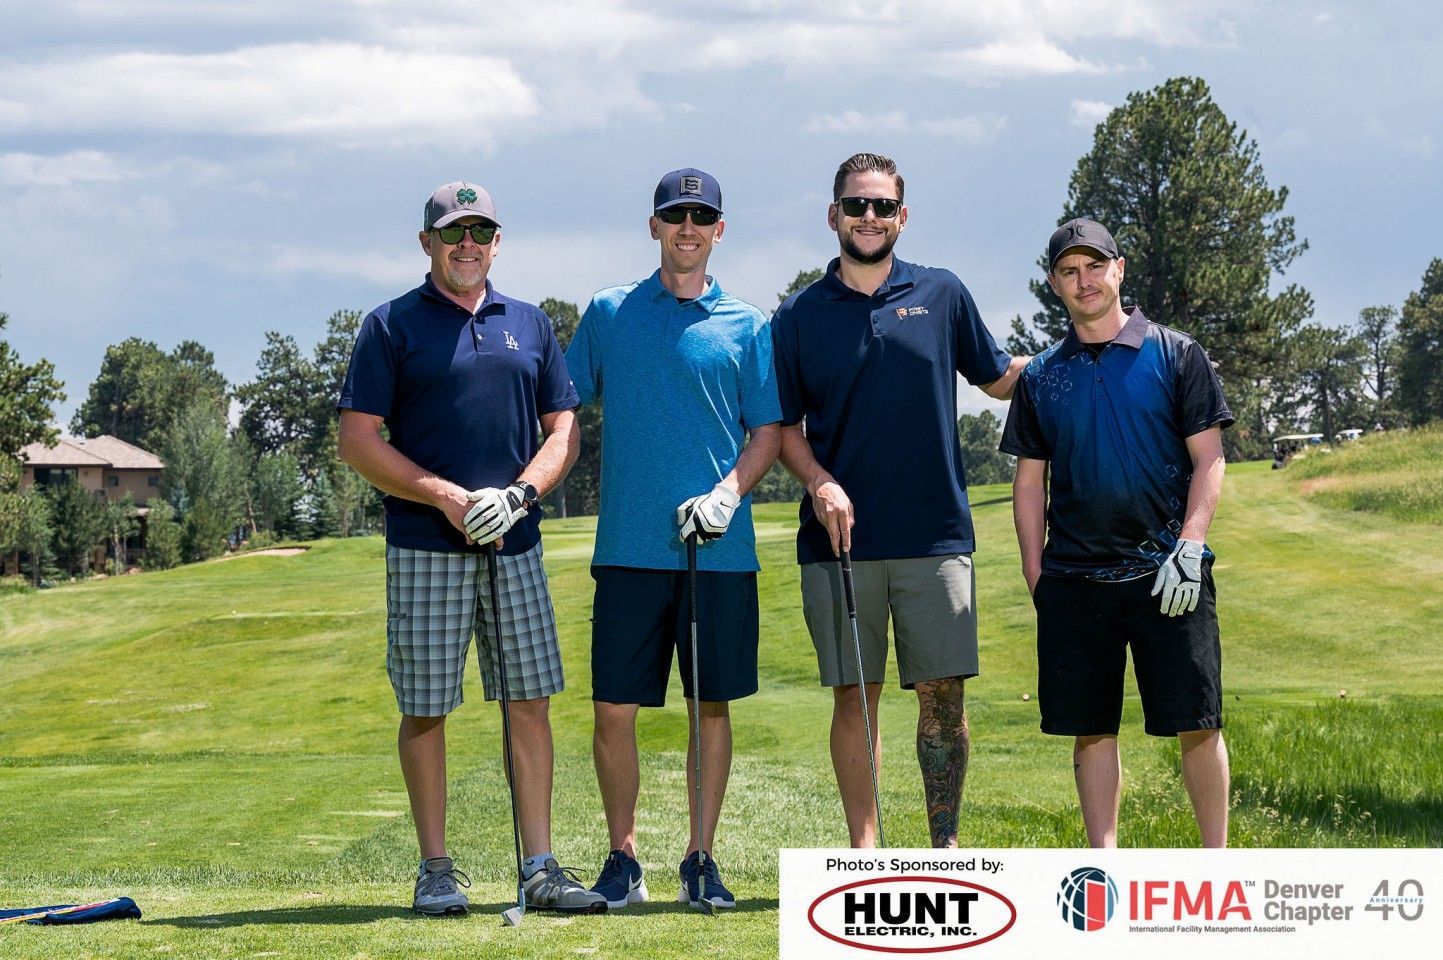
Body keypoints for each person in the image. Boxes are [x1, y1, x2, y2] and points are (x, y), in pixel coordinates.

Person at [337, 181, 606, 914]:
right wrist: (447, 497)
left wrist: (518, 495)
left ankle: (540, 868)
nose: (468, 245)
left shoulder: (530, 323)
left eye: (481, 231)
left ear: (496, 241)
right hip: (426, 544)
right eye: (454, 232)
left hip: (515, 542)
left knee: (529, 700)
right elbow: (357, 440)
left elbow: (563, 430)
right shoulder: (390, 325)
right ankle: (435, 869)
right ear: (426, 242)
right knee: (426, 706)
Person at [771, 153, 1026, 848]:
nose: (869, 218)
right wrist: (820, 481)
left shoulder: (941, 294)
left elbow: (999, 378)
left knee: (943, 698)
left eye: (882, 206)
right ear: (833, 216)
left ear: (901, 216)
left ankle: (943, 846)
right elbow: (781, 430)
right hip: (839, 545)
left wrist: (1087, 354)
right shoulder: (798, 315)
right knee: (854, 697)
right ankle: (866, 850)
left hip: (936, 534)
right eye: (856, 206)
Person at [565, 168, 781, 910]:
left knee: (709, 706)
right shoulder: (609, 312)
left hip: (718, 549)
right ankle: (622, 857)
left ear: (718, 230)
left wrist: (727, 494)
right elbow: (561, 404)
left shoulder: (748, 325)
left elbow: (769, 431)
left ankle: (700, 857)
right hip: (628, 546)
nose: (687, 228)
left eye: (701, 217)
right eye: (674, 216)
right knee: (612, 709)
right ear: (653, 226)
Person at [999, 217, 1233, 847]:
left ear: (1119, 269)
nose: (1085, 281)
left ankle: (1218, 865)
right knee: (1092, 725)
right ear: (1054, 283)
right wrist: (1034, 568)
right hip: (1075, 578)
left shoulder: (1177, 354)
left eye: (1095, 266)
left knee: (1198, 723)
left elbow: (1209, 459)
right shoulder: (1044, 374)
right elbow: (1029, 480)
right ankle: (1105, 867)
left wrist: (1190, 544)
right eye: (1069, 272)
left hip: (1170, 573)